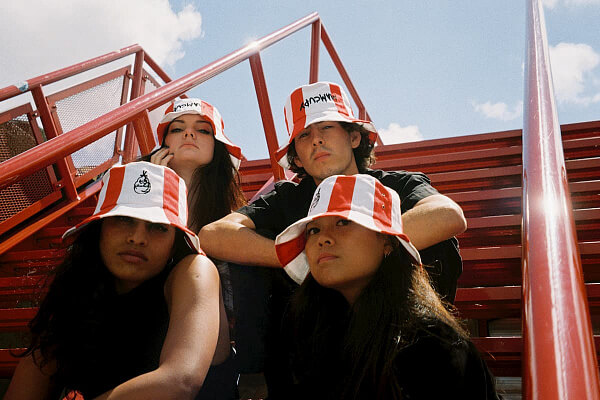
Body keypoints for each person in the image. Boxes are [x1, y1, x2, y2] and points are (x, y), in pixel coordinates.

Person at [199, 81, 467, 396]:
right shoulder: (286, 198)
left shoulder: (396, 185)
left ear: (354, 137)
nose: (317, 139)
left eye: (326, 127)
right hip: (313, 337)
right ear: (297, 156)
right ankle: (259, 380)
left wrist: (358, 251)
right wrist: (298, 256)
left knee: (439, 244)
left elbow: (449, 215)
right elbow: (213, 235)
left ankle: (426, 362)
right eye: (304, 135)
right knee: (250, 252)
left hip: (393, 324)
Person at [4, 162, 237, 399]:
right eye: (124, 219)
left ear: (174, 242)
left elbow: (181, 381)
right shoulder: (77, 292)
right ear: (99, 229)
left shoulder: (194, 270)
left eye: (158, 227)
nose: (137, 238)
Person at [275, 174, 500, 399]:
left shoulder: (432, 345)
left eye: (343, 222)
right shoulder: (303, 329)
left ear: (387, 242)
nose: (322, 238)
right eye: (313, 230)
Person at [147, 98, 246, 233]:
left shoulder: (235, 223)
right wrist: (153, 188)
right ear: (163, 144)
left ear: (217, 147)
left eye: (203, 130)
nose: (188, 133)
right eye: (177, 129)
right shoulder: (130, 198)